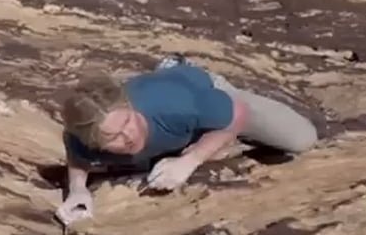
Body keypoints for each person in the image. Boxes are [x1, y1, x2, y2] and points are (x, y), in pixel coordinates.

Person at [55, 56, 318, 225]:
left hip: (201, 92)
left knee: (301, 139)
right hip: (160, 104)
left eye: (127, 122)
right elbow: (76, 153)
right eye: (113, 137)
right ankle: (159, 79)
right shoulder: (85, 138)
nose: (128, 136)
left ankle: (176, 68)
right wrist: (78, 189)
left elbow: (236, 114)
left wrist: (191, 161)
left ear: (128, 106)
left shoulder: (175, 106)